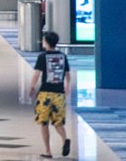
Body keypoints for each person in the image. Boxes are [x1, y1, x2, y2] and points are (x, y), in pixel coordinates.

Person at [28, 31, 71, 159]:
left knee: (44, 123)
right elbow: (68, 73)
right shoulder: (63, 56)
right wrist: (67, 86)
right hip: (59, 94)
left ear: (46, 42)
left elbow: (37, 74)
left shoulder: (42, 57)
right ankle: (65, 139)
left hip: (45, 94)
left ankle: (48, 151)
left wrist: (31, 86)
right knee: (58, 123)